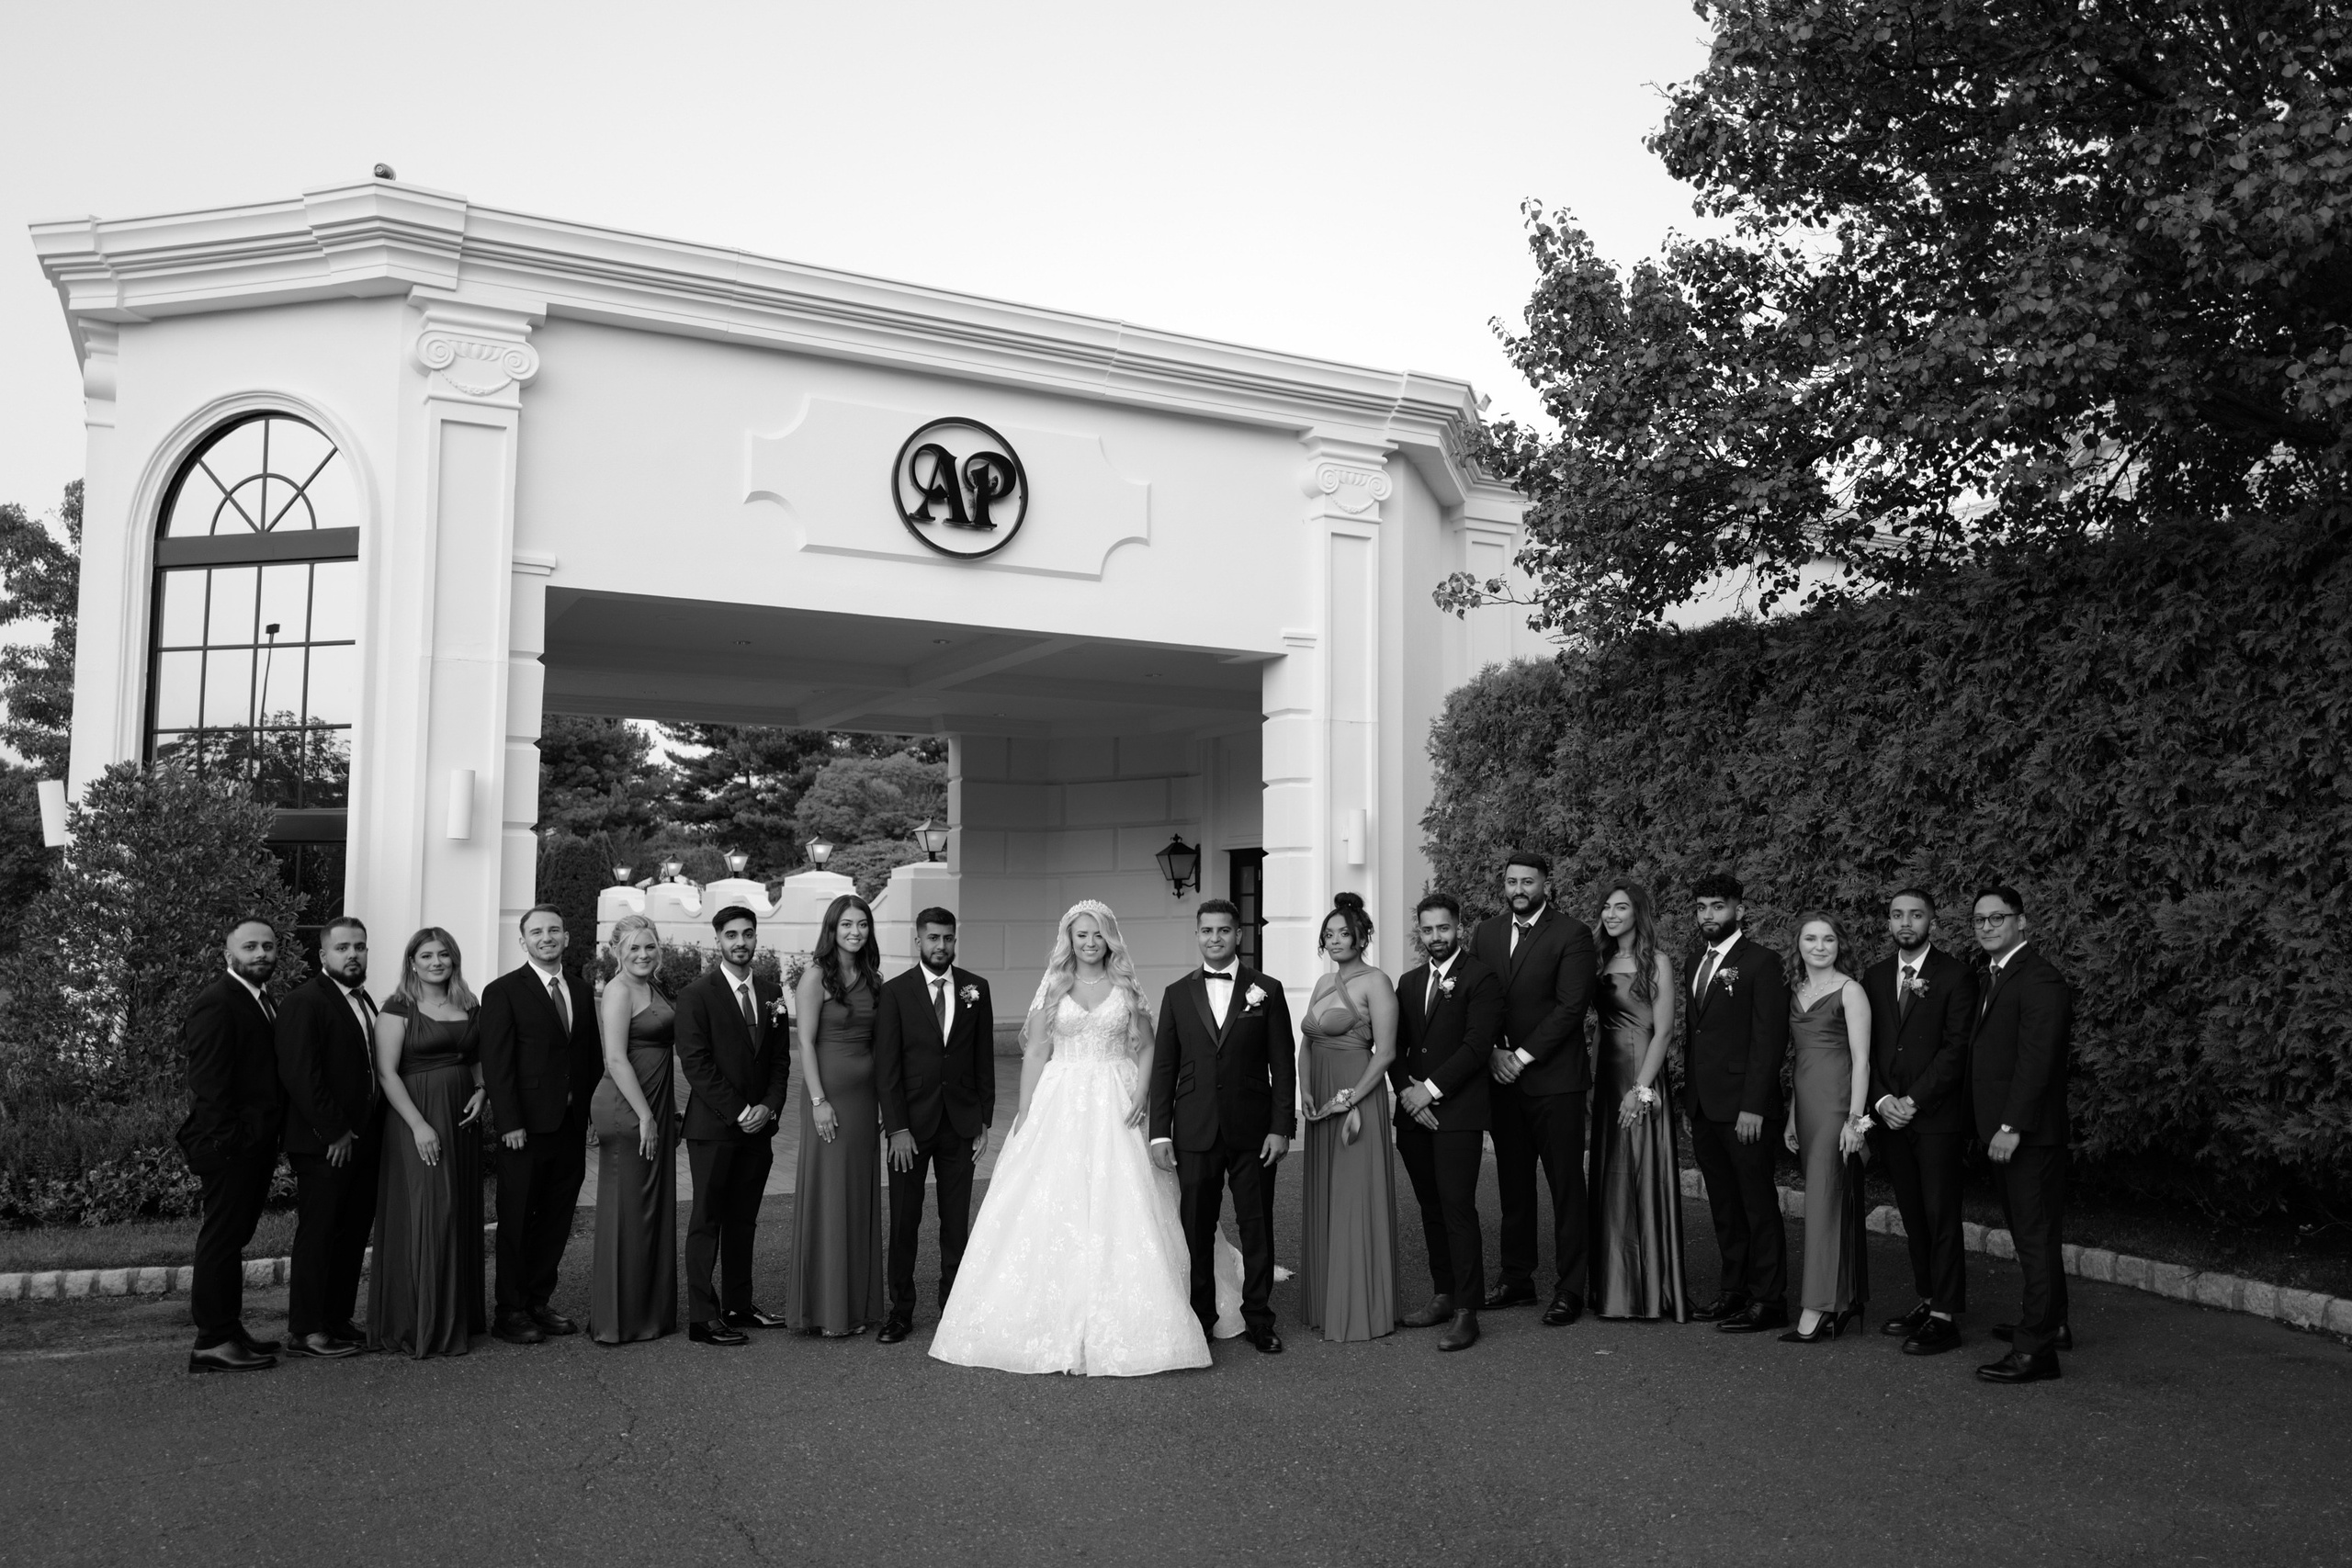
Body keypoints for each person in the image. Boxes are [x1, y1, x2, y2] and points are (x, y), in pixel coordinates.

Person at [931, 901, 1211, 1376]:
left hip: (1117, 1097)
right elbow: (1037, 1052)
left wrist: (1143, 1092)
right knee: (1049, 1199)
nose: (1088, 943)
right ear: (1069, 939)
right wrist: (1025, 1114)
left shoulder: (1125, 987)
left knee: (1125, 1200)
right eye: (1081, 935)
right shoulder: (1054, 985)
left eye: (1097, 935)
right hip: (1060, 1099)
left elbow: (1149, 1047)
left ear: (1109, 939)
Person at [1149, 897, 1298, 1355]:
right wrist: (1160, 1131)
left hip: (1254, 1131)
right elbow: (1164, 1067)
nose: (1214, 938)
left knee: (1257, 1225)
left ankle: (1258, 1318)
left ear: (1239, 935)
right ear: (1197, 936)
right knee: (1195, 1226)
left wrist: (1281, 1127)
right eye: (1206, 931)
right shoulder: (1176, 993)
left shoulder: (1266, 989)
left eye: (1223, 930)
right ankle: (1201, 1317)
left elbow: (1282, 1063)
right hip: (1195, 1129)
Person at [1468, 850, 1598, 1325]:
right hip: (1501, 1078)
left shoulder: (1572, 933)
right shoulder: (1486, 933)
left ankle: (1570, 1287)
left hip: (1554, 1081)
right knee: (1513, 1186)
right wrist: (1493, 1053)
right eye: (1511, 881)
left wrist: (1520, 1057)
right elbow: (1479, 1000)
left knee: (1566, 1185)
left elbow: (1570, 1008)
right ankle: (1517, 1278)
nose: (1518, 889)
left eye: (1528, 881)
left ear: (1546, 883)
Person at [478, 905, 604, 1346]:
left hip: (569, 1126)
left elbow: (590, 1060)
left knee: (556, 1219)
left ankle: (537, 1301)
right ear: (523, 941)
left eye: (554, 930)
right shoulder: (503, 991)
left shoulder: (583, 991)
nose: (546, 937)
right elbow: (497, 1064)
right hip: (524, 1130)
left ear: (567, 938)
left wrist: (589, 1115)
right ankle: (509, 1311)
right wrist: (508, 1121)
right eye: (536, 932)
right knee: (516, 1220)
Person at [872, 906, 995, 1345]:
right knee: (904, 1221)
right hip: (910, 1127)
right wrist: (896, 1128)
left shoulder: (975, 989)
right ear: (918, 940)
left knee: (955, 1223)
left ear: (954, 940)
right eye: (932, 938)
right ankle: (900, 1312)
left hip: (960, 1124)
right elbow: (886, 1068)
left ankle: (953, 1309)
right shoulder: (896, 992)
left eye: (947, 938)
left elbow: (984, 1059)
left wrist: (984, 1120)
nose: (940, 946)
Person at [1969, 884, 2075, 1385]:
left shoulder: (2040, 980)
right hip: (2005, 1131)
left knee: (2034, 1239)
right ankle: (2052, 1325)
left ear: (2021, 922)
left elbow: (2037, 1062)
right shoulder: (1995, 975)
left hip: (2027, 1135)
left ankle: (2035, 1352)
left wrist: (2011, 1126)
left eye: (1997, 918)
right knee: (2033, 1236)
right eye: (1980, 920)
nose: (1988, 926)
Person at [1863, 888, 1977, 1356]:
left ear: (1932, 921)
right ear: (1888, 923)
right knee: (1912, 1214)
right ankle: (1927, 1300)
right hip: (1890, 1117)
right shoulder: (1872, 977)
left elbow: (1957, 1049)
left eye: (1915, 915)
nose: (1905, 922)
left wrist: (1913, 1099)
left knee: (1940, 1214)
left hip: (1935, 1118)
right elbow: (1865, 1050)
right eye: (1897, 915)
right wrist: (1883, 1100)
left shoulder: (1955, 975)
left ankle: (1946, 1316)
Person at [1391, 893, 1505, 1352]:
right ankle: (1443, 1294)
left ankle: (1466, 1310)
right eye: (1427, 930)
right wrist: (1408, 1094)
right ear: (1418, 932)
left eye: (1443, 928)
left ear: (1459, 926)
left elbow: (1478, 1046)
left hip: (1457, 1112)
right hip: (1413, 1114)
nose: (1435, 937)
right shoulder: (1408, 980)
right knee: (1430, 1208)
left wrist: (1430, 1090)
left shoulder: (1481, 977)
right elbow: (1394, 1046)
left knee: (1458, 1208)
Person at [175, 918, 289, 1374]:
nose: (260, 953)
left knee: (233, 1238)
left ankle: (229, 1328)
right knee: (221, 1241)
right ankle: (212, 1341)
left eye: (267, 946)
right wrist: (233, 1143)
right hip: (230, 1148)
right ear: (229, 955)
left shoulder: (260, 999)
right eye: (249, 947)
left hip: (253, 1144)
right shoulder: (217, 1004)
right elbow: (209, 1087)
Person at [368, 927, 488, 1358]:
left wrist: (481, 1090)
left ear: (454, 960)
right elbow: (386, 1072)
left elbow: (475, 1057)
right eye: (426, 956)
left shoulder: (467, 1003)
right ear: (412, 962)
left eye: (444, 955)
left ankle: (456, 1317)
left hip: (461, 1118)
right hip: (416, 1117)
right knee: (429, 1212)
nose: (436, 962)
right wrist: (419, 1125)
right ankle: (419, 1323)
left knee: (457, 1210)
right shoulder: (398, 1007)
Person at [1683, 873, 1793, 1334]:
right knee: (1724, 1205)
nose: (1709, 915)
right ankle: (1735, 1291)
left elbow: (1769, 1040)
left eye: (1718, 906)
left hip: (1745, 1109)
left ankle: (1769, 1299)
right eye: (1703, 906)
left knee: (1757, 1203)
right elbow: (1697, 1036)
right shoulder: (1693, 962)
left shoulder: (1762, 963)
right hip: (1706, 1107)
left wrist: (1754, 1104)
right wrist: (1691, 1104)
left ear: (1739, 911)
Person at [674, 905, 788, 1346]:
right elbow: (696, 1065)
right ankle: (703, 1317)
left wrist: (769, 1108)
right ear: (717, 940)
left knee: (744, 1220)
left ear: (756, 937)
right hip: (714, 1128)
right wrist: (741, 1110)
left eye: (748, 934)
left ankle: (740, 1305)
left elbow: (780, 1061)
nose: (741, 942)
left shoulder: (772, 992)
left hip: (759, 1128)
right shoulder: (696, 995)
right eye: (731, 935)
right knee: (707, 1220)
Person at [276, 915, 384, 1359]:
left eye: (359, 946)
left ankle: (336, 1320)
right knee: (319, 1236)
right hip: (326, 1145)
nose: (353, 954)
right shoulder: (306, 1001)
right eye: (343, 948)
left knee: (351, 1235)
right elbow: (301, 1074)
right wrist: (335, 1131)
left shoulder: (365, 1000)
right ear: (323, 955)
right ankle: (305, 1330)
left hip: (365, 1143)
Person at [1295, 893, 1399, 1343]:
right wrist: (1305, 1091)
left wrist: (1349, 1096)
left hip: (1356, 1098)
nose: (1335, 940)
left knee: (1354, 1199)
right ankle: (1326, 1303)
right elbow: (1307, 1042)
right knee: (1326, 1196)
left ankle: (1359, 1310)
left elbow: (1387, 1052)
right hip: (1320, 1101)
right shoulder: (1322, 984)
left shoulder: (1376, 981)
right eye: (1329, 934)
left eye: (1344, 933)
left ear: (1362, 937)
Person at [1586, 884, 1688, 1322]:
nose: (1611, 914)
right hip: (1606, 1073)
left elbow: (1663, 1031)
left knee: (1643, 1168)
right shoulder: (1597, 959)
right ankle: (1614, 1288)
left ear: (1638, 913)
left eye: (1621, 907)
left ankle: (1651, 1291)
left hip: (1641, 1073)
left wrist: (1641, 1089)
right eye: (1607, 907)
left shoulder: (1657, 962)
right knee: (1610, 1173)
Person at [789, 894, 886, 1337]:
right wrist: (818, 1101)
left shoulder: (872, 977)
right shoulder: (815, 977)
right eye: (847, 924)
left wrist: (885, 1102)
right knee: (830, 1198)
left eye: (862, 924)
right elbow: (805, 1043)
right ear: (832, 928)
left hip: (866, 1102)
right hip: (829, 1101)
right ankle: (828, 1312)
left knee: (858, 1198)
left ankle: (857, 1307)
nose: (855, 932)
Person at [1780, 913, 1873, 1343]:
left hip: (1838, 1106)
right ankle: (1844, 1299)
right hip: (1807, 1107)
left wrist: (1856, 1121)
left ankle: (1815, 1308)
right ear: (1798, 945)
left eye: (1829, 939)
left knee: (1822, 1202)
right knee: (1828, 1202)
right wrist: (1792, 1113)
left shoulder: (1850, 991)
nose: (1820, 946)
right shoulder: (1796, 991)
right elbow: (1800, 1059)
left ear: (1840, 945)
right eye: (1811, 939)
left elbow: (1862, 1061)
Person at [589, 913, 680, 1346]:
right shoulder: (619, 990)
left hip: (653, 1103)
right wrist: (646, 1116)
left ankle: (648, 1313)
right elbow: (615, 1059)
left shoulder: (651, 985)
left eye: (650, 947)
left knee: (649, 1209)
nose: (643, 955)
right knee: (627, 1209)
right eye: (633, 949)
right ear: (617, 952)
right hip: (629, 1107)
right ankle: (618, 1318)